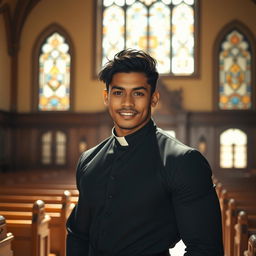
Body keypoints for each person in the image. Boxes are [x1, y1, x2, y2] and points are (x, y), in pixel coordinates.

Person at [66, 49, 224, 256]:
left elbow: (205, 249)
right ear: (106, 97)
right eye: (118, 92)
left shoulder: (183, 161)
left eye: (138, 93)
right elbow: (78, 235)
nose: (127, 103)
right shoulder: (88, 160)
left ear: (154, 99)